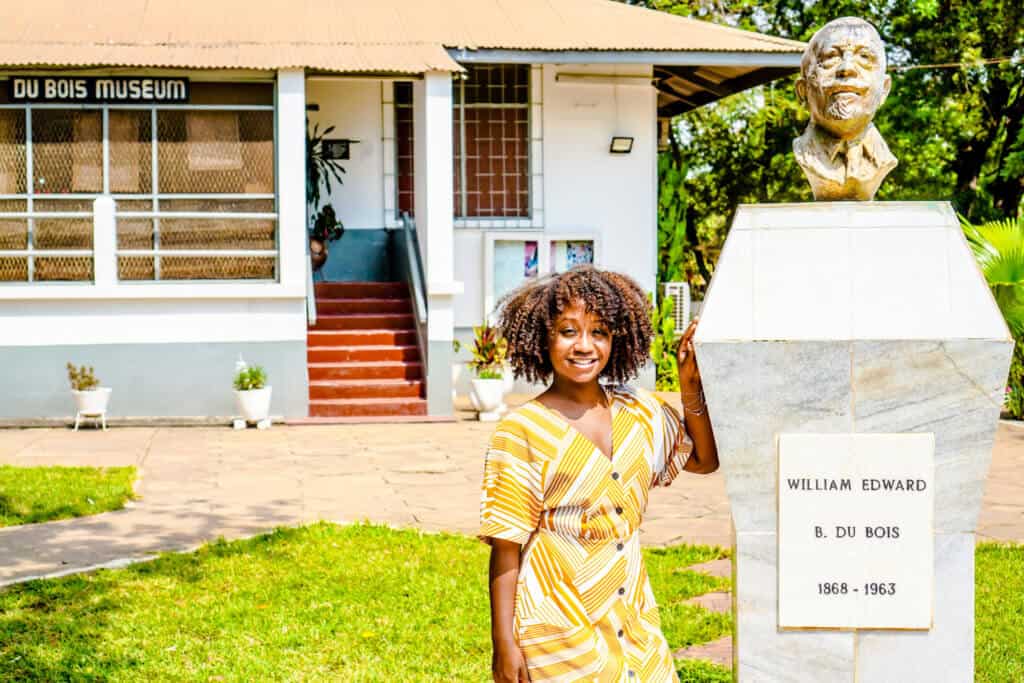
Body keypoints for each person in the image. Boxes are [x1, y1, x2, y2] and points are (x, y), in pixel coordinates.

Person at [478, 266, 719, 683]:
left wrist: (688, 386)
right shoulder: (521, 431)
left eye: (599, 332)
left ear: (616, 340)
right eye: (568, 331)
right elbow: (505, 549)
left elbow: (702, 459)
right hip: (558, 633)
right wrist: (504, 644)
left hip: (635, 626)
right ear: (544, 338)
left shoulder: (639, 412)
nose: (584, 346)